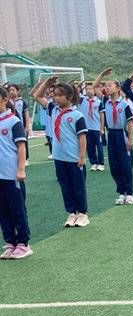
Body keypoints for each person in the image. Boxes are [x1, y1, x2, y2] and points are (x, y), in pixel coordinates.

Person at [32, 75, 90, 227]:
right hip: (59, 157)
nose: (55, 98)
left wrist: (82, 157)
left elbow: (82, 137)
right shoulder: (53, 109)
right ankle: (72, 213)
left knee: (78, 186)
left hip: (74, 158)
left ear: (69, 97)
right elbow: (37, 96)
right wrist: (46, 83)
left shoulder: (77, 115)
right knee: (65, 186)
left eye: (59, 96)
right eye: (54, 95)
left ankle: (83, 213)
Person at [0, 85, 31, 258]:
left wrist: (21, 169)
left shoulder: (13, 121)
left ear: (5, 100)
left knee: (17, 209)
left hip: (11, 174)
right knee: (3, 210)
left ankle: (23, 243)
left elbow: (21, 147)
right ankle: (10, 242)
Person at [101, 80, 133, 205]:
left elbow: (130, 122)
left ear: (118, 88)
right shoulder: (106, 102)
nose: (107, 88)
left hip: (122, 134)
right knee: (114, 166)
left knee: (125, 165)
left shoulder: (124, 104)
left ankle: (130, 193)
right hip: (111, 134)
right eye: (106, 86)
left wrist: (130, 139)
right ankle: (121, 192)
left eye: (110, 86)